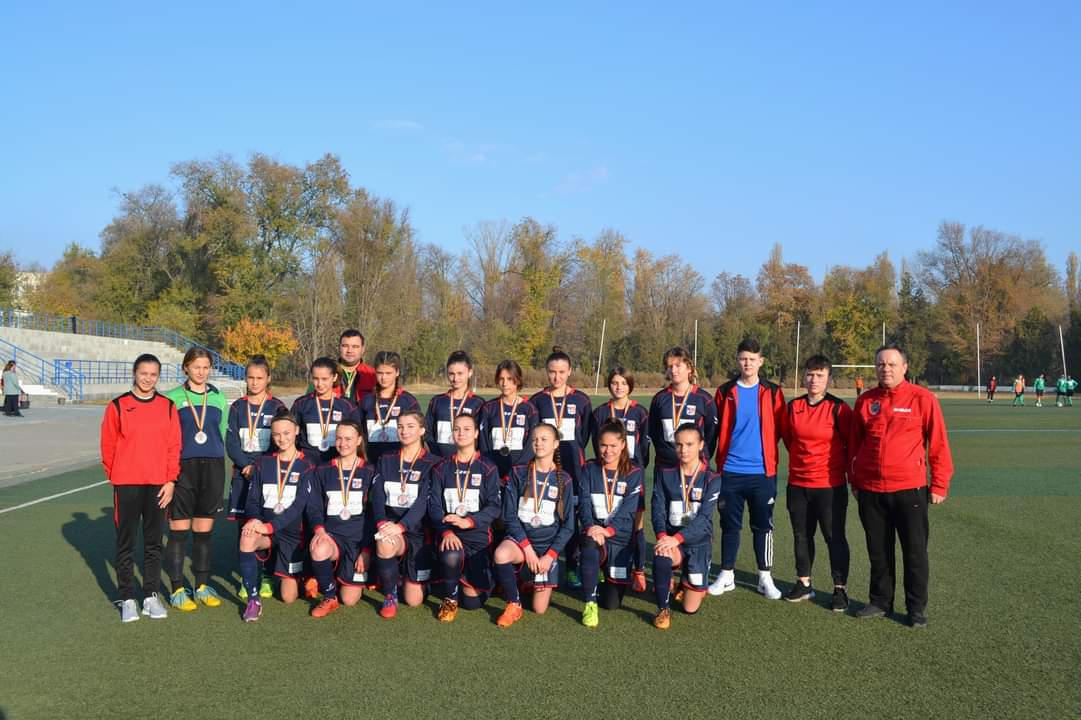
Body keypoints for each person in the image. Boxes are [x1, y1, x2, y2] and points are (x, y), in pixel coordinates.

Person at [850, 343, 953, 628]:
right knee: (878, 550)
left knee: (915, 552)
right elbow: (854, 445)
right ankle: (880, 601)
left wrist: (939, 483)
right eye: (881, 364)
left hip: (909, 489)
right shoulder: (865, 401)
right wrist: (854, 480)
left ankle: (915, 608)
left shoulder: (922, 398)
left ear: (904, 367)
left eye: (892, 364)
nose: (886, 369)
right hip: (871, 490)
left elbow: (938, 443)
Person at [100, 353, 180, 622]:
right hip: (127, 485)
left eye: (153, 374)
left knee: (154, 544)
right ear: (134, 373)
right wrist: (117, 475)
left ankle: (150, 596)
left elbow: (174, 446)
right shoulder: (118, 406)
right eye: (143, 373)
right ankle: (127, 598)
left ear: (158, 376)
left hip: (158, 485)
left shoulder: (168, 407)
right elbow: (108, 445)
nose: (148, 379)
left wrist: (170, 480)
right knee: (126, 544)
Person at [708, 338, 787, 599]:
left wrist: (767, 453)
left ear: (761, 361)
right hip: (730, 471)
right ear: (737, 360)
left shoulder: (772, 392)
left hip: (762, 473)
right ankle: (727, 574)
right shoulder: (725, 391)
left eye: (752, 359)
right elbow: (715, 429)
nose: (747, 363)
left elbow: (782, 428)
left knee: (763, 525)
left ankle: (765, 577)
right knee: (730, 525)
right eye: (743, 358)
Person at [781, 355, 853, 611]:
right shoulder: (794, 407)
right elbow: (789, 440)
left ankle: (840, 588)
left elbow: (850, 444)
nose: (814, 380)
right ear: (804, 377)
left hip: (830, 486)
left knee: (834, 537)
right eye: (810, 374)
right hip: (798, 485)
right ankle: (804, 583)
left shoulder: (839, 408)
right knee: (801, 535)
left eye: (820, 375)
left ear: (829, 379)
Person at [162, 348, 230, 611]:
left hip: (212, 467)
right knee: (179, 532)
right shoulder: (172, 398)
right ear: (185, 368)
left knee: (204, 532)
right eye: (196, 367)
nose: (201, 372)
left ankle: (201, 586)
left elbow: (220, 432)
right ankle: (177, 589)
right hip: (183, 468)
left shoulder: (218, 398)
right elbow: (166, 438)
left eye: (205, 367)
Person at [237, 410, 319, 621]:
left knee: (288, 597)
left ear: (297, 431)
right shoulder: (263, 463)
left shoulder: (307, 465)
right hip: (267, 531)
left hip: (293, 535)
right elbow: (252, 500)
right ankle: (253, 600)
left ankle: (305, 574)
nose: (282, 439)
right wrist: (255, 520)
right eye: (276, 434)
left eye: (286, 433)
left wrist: (269, 527)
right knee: (247, 536)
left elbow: (299, 506)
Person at [492, 423, 576, 627]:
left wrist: (550, 555)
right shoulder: (518, 472)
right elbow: (509, 516)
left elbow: (569, 526)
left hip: (547, 547)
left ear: (556, 444)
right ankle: (514, 603)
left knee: (539, 609)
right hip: (522, 543)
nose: (538, 443)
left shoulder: (564, 479)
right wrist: (528, 550)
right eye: (535, 439)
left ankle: (530, 580)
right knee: (501, 555)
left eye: (544, 439)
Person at [528, 347, 592, 589]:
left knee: (571, 518)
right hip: (544, 468)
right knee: (545, 513)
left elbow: (584, 436)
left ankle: (572, 567)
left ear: (570, 371)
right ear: (546, 371)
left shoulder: (581, 400)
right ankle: (540, 564)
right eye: (552, 372)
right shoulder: (537, 400)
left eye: (562, 372)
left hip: (573, 469)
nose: (557, 377)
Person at [429, 413, 502, 622]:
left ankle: (483, 579)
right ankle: (450, 598)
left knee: (472, 603)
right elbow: (434, 506)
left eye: (467, 429)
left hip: (478, 536)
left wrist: (469, 521)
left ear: (476, 433)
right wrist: (446, 531)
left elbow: (495, 506)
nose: (461, 433)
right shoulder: (441, 467)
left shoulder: (488, 467)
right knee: (451, 554)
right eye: (457, 429)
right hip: (451, 534)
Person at [225, 356, 286, 600]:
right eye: (250, 377)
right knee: (244, 527)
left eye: (259, 378)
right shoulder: (237, 407)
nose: (254, 382)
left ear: (268, 378)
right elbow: (231, 443)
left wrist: (260, 467)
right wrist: (246, 465)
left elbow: (281, 441)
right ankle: (247, 577)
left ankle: (268, 576)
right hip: (243, 474)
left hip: (268, 474)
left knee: (268, 523)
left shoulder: (277, 407)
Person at [650, 424, 723, 629]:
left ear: (701, 445)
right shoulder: (665, 473)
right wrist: (663, 536)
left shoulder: (712, 478)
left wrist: (676, 538)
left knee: (690, 609)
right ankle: (663, 608)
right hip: (673, 541)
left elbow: (704, 519)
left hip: (698, 543)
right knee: (662, 553)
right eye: (679, 445)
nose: (684, 450)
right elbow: (657, 508)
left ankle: (686, 582)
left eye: (689, 444)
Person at [306, 420, 379, 618]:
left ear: (359, 440)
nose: (343, 443)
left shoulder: (371, 471)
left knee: (350, 599)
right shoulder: (322, 470)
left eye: (348, 438)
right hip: (333, 537)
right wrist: (319, 530)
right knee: (319, 548)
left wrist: (366, 550)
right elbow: (314, 506)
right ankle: (329, 596)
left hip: (358, 541)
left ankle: (338, 577)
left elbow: (375, 514)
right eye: (338, 438)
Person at [371, 409, 439, 618]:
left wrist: (402, 526)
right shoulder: (386, 458)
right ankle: (390, 595)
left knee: (414, 600)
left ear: (422, 430)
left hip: (419, 531)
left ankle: (417, 576)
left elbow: (424, 501)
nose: (404, 431)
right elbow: (377, 495)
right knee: (384, 541)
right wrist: (382, 523)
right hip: (391, 526)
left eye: (410, 426)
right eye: (400, 426)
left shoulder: (434, 463)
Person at [577, 419, 643, 627]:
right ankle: (590, 603)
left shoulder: (634, 472)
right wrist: (590, 527)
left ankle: (601, 571)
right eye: (603, 445)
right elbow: (584, 504)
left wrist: (609, 530)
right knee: (589, 544)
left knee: (611, 604)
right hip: (594, 533)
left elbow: (628, 510)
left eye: (613, 445)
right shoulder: (589, 468)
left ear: (623, 444)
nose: (608, 451)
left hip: (619, 537)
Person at [592, 367, 649, 592]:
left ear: (630, 385)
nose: (619, 387)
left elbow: (644, 449)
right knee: (603, 519)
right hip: (606, 475)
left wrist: (634, 468)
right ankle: (603, 565)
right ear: (609, 385)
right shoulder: (600, 412)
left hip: (632, 474)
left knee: (636, 524)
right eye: (615, 382)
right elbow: (596, 444)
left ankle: (639, 570)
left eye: (623, 383)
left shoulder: (640, 412)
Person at [477, 359, 538, 480]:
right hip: (494, 472)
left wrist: (518, 470)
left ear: (518, 380)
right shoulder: (488, 408)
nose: (505, 383)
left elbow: (531, 444)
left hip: (520, 473)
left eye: (509, 379)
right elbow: (483, 442)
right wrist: (490, 468)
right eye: (501, 379)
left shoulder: (529, 408)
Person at [291, 357, 361, 462]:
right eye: (315, 378)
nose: (319, 384)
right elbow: (291, 435)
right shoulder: (301, 404)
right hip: (308, 464)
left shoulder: (347, 405)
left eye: (324, 379)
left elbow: (357, 437)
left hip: (337, 465)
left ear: (334, 377)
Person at [358, 351, 422, 465]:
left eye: (388, 373)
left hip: (399, 462)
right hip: (371, 462)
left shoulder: (408, 401)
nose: (384, 377)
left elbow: (418, 436)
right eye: (380, 373)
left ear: (397, 372)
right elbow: (359, 433)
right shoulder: (366, 401)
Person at [425, 350, 485, 458]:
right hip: (440, 461)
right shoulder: (437, 401)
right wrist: (435, 455)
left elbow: (482, 438)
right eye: (451, 374)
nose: (455, 378)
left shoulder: (478, 403)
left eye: (460, 373)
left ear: (470, 372)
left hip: (467, 462)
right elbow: (427, 432)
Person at [334, 329, 377, 404]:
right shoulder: (327, 372)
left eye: (355, 347)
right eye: (345, 346)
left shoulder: (373, 374)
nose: (349, 351)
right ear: (339, 347)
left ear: (363, 349)